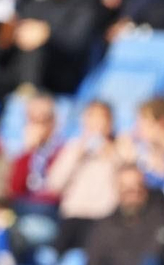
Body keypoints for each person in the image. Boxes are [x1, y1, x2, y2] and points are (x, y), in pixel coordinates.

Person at [7, 0, 101, 96]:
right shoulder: (34, 5)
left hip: (65, 75)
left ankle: (28, 90)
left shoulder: (85, 6)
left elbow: (76, 43)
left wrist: (47, 34)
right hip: (23, 72)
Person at [46, 100, 124, 252]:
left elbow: (129, 181)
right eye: (91, 117)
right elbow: (54, 184)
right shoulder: (74, 147)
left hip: (104, 216)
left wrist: (111, 154)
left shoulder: (120, 147)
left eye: (101, 118)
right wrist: (77, 155)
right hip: (73, 216)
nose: (96, 124)